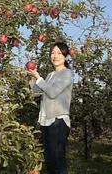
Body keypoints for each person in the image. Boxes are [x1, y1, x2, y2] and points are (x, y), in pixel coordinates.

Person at [27, 42, 74, 174]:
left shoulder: (67, 73)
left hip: (58, 121)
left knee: (58, 161)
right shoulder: (50, 75)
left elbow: (53, 92)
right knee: (49, 161)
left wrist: (38, 78)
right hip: (46, 121)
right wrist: (32, 78)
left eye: (59, 53)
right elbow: (36, 92)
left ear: (65, 56)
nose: (55, 56)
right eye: (53, 53)